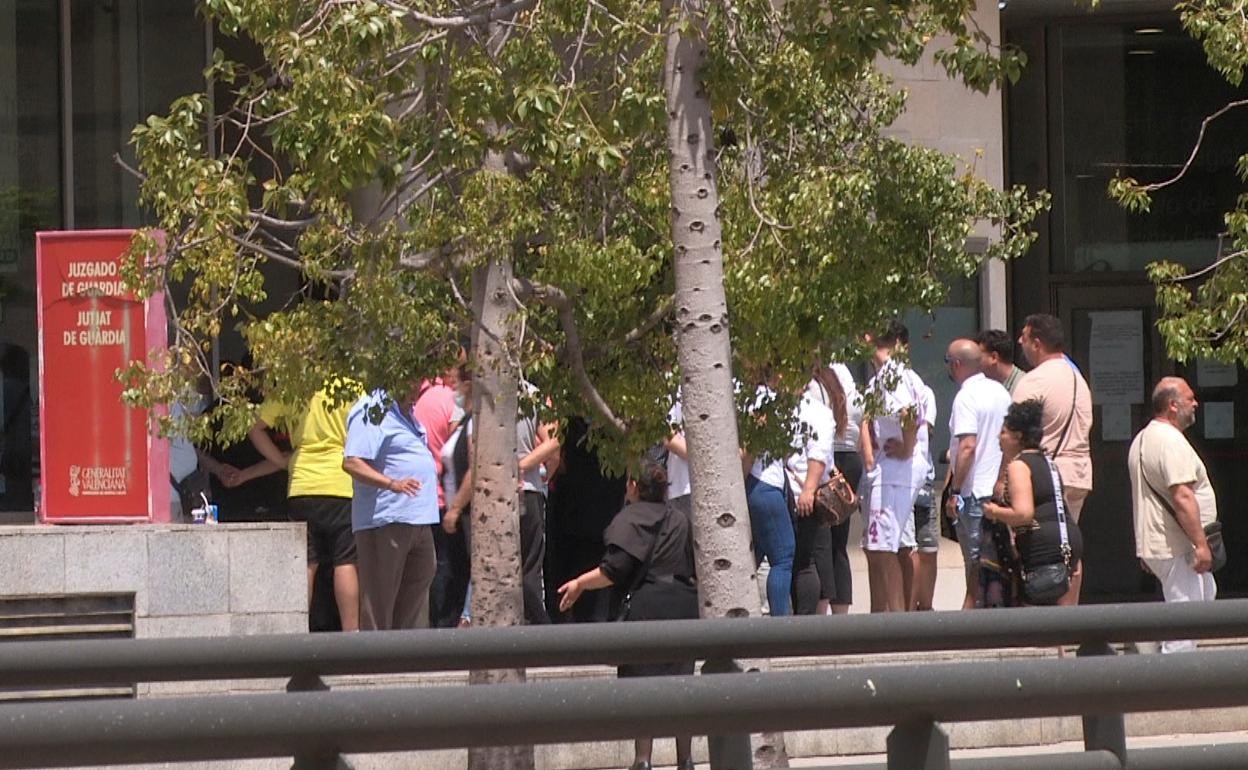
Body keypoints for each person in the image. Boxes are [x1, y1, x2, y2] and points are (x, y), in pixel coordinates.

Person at [556, 453, 698, 770]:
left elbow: (613, 570)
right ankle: (685, 759)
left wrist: (579, 583)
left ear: (634, 486)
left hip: (647, 606)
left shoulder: (628, 519)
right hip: (682, 605)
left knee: (641, 684)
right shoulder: (679, 519)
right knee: (682, 683)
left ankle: (643, 761)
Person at [246, 381, 363, 632]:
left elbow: (255, 429)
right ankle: (352, 636)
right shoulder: (351, 386)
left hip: (301, 483)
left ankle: (297, 633)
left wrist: (282, 461)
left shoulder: (293, 386)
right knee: (345, 561)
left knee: (307, 562)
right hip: (340, 481)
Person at [1127, 377, 1218, 653]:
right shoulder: (1170, 442)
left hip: (1160, 544)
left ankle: (1155, 649)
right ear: (1172, 405)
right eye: (1189, 398)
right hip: (1178, 545)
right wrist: (1201, 545)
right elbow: (1182, 496)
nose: (1195, 403)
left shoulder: (1143, 438)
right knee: (1185, 618)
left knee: (1205, 596)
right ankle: (1173, 679)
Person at [344, 386, 440, 631]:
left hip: (418, 518)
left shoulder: (407, 413)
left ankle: (399, 650)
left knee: (422, 574)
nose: (418, 386)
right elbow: (352, 462)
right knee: (380, 595)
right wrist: (391, 483)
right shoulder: (373, 407)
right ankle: (376, 658)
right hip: (386, 519)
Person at [983, 400, 1083, 606]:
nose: (998, 438)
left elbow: (1023, 513)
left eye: (1003, 432)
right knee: (1066, 624)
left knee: (1039, 624)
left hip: (1043, 549)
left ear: (1018, 436)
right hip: (1068, 543)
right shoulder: (1048, 463)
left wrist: (994, 512)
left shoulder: (1019, 466)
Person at [860, 322, 930, 613]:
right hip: (891, 472)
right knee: (883, 547)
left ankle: (897, 622)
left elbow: (908, 413)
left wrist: (907, 446)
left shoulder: (892, 373)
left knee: (882, 548)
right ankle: (892, 619)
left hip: (896, 474)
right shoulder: (889, 375)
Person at [943, 338, 1012, 609]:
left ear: (957, 364)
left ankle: (972, 618)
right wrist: (1002, 478)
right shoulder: (1000, 392)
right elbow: (1008, 442)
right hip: (995, 491)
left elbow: (967, 446)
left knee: (974, 562)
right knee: (994, 560)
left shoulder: (966, 397)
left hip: (973, 494)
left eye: (948, 363)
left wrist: (955, 491)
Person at [1012, 314, 1094, 522]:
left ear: (1037, 344)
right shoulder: (1078, 378)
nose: (1020, 341)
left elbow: (1014, 433)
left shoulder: (1035, 380)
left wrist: (1005, 477)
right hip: (1079, 473)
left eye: (1024, 336)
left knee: (1044, 544)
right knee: (1066, 540)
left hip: (1045, 476)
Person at [414, 365, 465, 628]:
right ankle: (445, 628)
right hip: (446, 496)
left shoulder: (422, 399)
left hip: (423, 497)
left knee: (434, 567)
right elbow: (457, 447)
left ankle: (435, 624)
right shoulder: (450, 400)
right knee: (451, 567)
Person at [809, 364, 856, 615]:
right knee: (838, 543)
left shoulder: (811, 386)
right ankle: (840, 611)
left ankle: (822, 608)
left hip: (828, 460)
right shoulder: (838, 375)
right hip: (847, 457)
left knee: (822, 542)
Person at [517, 390, 561, 624]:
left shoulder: (484, 389)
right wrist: (534, 470)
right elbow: (554, 442)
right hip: (530, 490)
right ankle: (537, 627)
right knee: (531, 565)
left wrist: (517, 465)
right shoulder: (532, 393)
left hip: (501, 490)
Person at [909, 382, 939, 611]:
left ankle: (923, 609)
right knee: (914, 547)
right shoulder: (924, 391)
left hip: (920, 479)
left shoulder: (923, 391)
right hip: (907, 481)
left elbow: (926, 430)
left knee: (924, 547)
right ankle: (913, 610)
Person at [975, 329, 1025, 394]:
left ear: (994, 357)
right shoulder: (983, 388)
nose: (974, 361)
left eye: (978, 356)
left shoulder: (1024, 386)